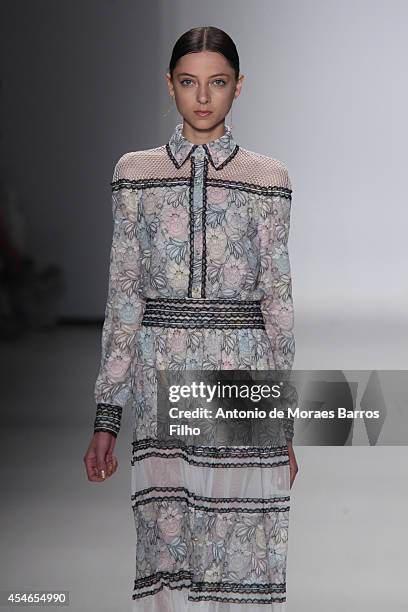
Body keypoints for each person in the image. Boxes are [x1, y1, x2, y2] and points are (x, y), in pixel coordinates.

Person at [84, 25, 299, 611]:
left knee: (240, 551)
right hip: (161, 373)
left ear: (238, 88)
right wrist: (107, 415)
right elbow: (125, 295)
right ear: (170, 86)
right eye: (189, 82)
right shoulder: (136, 173)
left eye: (217, 83)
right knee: (167, 545)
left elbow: (276, 300)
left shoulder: (267, 179)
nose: (203, 98)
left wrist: (281, 422)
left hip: (241, 371)